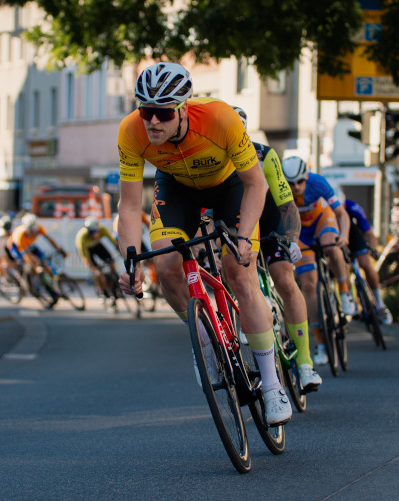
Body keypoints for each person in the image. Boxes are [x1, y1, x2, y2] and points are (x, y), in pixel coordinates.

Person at [116, 61, 291, 425]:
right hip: (177, 188)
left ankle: (273, 385)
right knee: (166, 267)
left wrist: (244, 237)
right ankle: (206, 345)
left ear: (183, 108)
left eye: (163, 113)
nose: (152, 122)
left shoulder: (220, 118)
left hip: (230, 186)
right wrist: (130, 264)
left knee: (238, 272)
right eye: (146, 111)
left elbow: (256, 184)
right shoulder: (130, 131)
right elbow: (129, 206)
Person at [233, 106, 322, 392]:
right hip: (237, 222)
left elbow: (286, 203)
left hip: (269, 218)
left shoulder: (264, 154)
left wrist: (292, 238)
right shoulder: (210, 159)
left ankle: (305, 363)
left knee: (284, 279)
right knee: (235, 278)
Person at [281, 156, 355, 367]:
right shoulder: (280, 189)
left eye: (300, 182)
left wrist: (344, 236)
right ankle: (320, 342)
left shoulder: (318, 182)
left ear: (306, 177)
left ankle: (344, 291)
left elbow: (341, 213)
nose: (296, 187)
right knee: (308, 286)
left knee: (331, 247)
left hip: (322, 220)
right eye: (290, 183)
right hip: (301, 233)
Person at [343, 197, 393, 325]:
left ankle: (379, 303)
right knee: (341, 267)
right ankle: (350, 300)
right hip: (333, 234)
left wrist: (374, 250)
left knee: (365, 263)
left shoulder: (351, 206)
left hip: (352, 234)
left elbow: (369, 233)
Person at [9, 213, 68, 280]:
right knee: (32, 261)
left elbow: (50, 240)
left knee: (43, 259)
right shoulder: (21, 236)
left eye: (35, 230)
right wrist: (35, 267)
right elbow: (26, 255)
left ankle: (51, 278)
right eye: (31, 231)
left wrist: (60, 250)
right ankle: (23, 278)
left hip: (29, 244)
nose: (34, 233)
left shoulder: (39, 228)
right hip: (15, 246)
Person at [75, 216, 119, 303]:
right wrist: (94, 270)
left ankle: (115, 278)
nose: (94, 235)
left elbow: (114, 243)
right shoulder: (82, 237)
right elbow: (85, 258)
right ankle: (103, 292)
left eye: (96, 232)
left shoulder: (102, 229)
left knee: (111, 261)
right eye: (92, 233)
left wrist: (123, 254)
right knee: (98, 273)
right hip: (87, 250)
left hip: (98, 246)